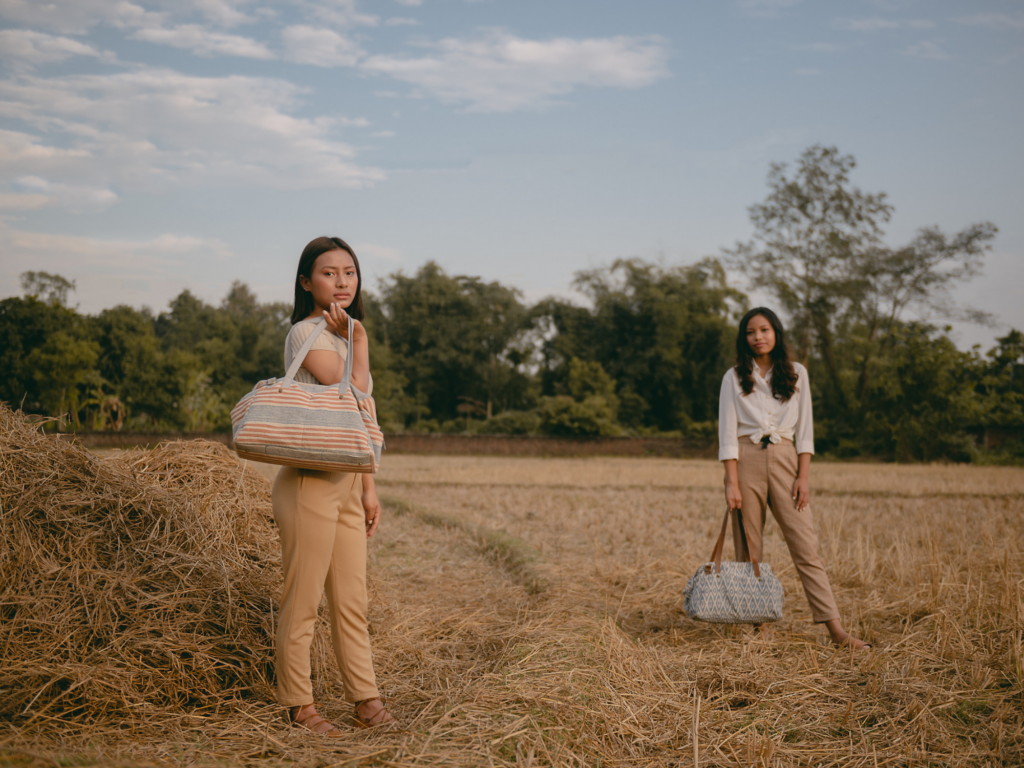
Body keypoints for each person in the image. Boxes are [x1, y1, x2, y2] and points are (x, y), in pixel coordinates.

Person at [272, 236, 396, 735]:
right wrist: (360, 342)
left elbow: (361, 425)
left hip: (345, 482)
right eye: (329, 273)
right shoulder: (306, 333)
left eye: (349, 272)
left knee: (351, 600)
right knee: (303, 599)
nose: (342, 281)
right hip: (308, 483)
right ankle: (299, 707)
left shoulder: (344, 337)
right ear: (306, 282)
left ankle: (366, 701)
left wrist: (368, 489)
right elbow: (352, 395)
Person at [718, 307, 870, 650]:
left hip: (787, 460)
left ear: (776, 333)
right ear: (744, 338)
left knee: (806, 547)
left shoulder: (797, 373)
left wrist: (803, 477)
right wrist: (731, 482)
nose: (758, 337)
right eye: (750, 332)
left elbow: (806, 430)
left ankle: (837, 632)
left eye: (764, 330)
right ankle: (759, 628)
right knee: (749, 551)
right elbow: (727, 432)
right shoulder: (734, 376)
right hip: (745, 461)